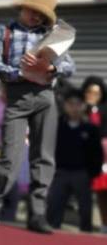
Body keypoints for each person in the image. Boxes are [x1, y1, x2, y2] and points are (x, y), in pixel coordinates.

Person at [0, 0, 75, 234]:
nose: (35, 17)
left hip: (45, 97)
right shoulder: (5, 31)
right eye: (32, 11)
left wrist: (50, 68)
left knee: (43, 158)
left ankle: (37, 215)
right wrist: (21, 71)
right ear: (22, 7)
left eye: (41, 14)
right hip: (17, 97)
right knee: (9, 156)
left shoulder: (54, 34)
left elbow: (70, 65)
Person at [46, 89, 101, 232]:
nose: (74, 108)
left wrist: (92, 173)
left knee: (85, 209)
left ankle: (86, 235)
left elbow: (97, 154)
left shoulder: (91, 129)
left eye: (78, 104)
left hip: (82, 174)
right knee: (54, 206)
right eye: (71, 104)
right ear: (65, 105)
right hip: (60, 173)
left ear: (83, 106)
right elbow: (49, 149)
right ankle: (52, 233)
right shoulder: (57, 126)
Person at [82, 75, 107, 232]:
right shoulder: (79, 108)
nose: (93, 96)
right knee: (96, 193)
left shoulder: (105, 109)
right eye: (90, 92)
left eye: (96, 93)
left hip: (104, 156)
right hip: (85, 157)